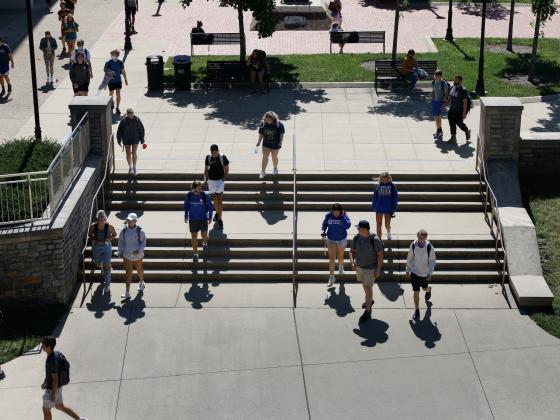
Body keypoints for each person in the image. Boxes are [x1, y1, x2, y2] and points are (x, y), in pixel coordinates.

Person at [40, 336, 88, 420]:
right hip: (57, 387)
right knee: (59, 406)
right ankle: (80, 419)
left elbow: (55, 379)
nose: (42, 346)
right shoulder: (56, 354)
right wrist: (45, 382)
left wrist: (53, 395)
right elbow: (51, 374)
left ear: (48, 347)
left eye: (43, 345)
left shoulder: (52, 360)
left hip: (52, 389)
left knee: (46, 409)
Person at [349, 220, 384, 323]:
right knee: (364, 285)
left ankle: (367, 311)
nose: (357, 230)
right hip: (359, 267)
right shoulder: (356, 237)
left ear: (364, 229)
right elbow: (351, 251)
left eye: (358, 228)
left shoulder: (375, 240)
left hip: (370, 268)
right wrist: (352, 262)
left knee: (368, 287)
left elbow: (380, 255)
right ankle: (369, 300)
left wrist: (378, 269)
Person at [406, 229, 436, 320]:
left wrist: (430, 273)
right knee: (416, 291)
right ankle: (417, 309)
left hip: (424, 273)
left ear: (425, 237)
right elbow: (410, 257)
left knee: (424, 288)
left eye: (423, 237)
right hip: (414, 272)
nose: (421, 239)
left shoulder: (429, 247)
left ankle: (428, 289)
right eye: (419, 237)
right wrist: (408, 269)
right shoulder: (413, 245)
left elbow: (432, 261)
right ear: (417, 236)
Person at [117, 213, 146, 300]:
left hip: (138, 256)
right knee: (128, 272)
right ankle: (127, 292)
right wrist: (119, 251)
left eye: (131, 220)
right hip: (127, 255)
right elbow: (120, 242)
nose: (129, 222)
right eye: (128, 220)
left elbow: (143, 243)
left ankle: (141, 282)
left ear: (135, 221)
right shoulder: (124, 230)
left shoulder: (140, 231)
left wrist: (139, 250)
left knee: (139, 269)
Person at [321, 203, 351, 288]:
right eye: (335, 212)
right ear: (332, 211)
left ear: (341, 211)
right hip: (331, 239)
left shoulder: (344, 216)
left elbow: (348, 226)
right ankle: (331, 277)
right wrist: (323, 231)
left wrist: (342, 217)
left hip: (341, 239)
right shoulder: (328, 215)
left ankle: (340, 266)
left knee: (340, 256)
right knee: (331, 258)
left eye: (338, 212)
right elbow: (325, 223)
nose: (336, 214)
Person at [88, 210, 117, 296]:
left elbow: (115, 234)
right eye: (99, 220)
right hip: (96, 247)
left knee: (107, 265)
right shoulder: (93, 226)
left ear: (105, 219)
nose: (101, 221)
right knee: (98, 264)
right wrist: (92, 238)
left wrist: (109, 238)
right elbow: (89, 234)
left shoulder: (109, 226)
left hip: (106, 247)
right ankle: (102, 266)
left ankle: (107, 284)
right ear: (97, 219)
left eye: (102, 219)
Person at [184, 180, 214, 264]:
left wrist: (210, 217)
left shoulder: (205, 195)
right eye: (199, 187)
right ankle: (195, 253)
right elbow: (186, 206)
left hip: (203, 218)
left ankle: (204, 242)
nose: (201, 188)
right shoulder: (189, 195)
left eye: (201, 187)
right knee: (194, 236)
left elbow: (210, 207)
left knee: (204, 235)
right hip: (193, 219)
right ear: (194, 188)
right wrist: (186, 215)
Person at [204, 144, 229, 230]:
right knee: (214, 199)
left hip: (219, 181)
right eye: (212, 152)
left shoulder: (222, 157)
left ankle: (220, 219)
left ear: (218, 151)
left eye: (215, 152)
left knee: (220, 199)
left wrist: (223, 178)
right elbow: (206, 169)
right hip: (211, 181)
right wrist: (205, 178)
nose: (214, 154)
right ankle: (217, 213)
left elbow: (227, 169)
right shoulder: (208, 158)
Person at [256, 111, 284, 179]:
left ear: (273, 119)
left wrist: (280, 142)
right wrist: (259, 142)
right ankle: (263, 172)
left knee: (274, 157)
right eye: (266, 119)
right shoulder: (263, 123)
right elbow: (261, 133)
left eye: (269, 120)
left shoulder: (279, 124)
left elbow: (281, 134)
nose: (267, 121)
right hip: (266, 143)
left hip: (275, 144)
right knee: (265, 157)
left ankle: (275, 168)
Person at [116, 108, 145, 175]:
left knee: (134, 153)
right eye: (129, 115)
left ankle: (134, 167)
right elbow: (119, 131)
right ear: (127, 114)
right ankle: (130, 167)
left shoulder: (137, 119)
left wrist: (142, 140)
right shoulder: (124, 120)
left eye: (131, 114)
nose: (131, 116)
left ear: (133, 113)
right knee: (128, 153)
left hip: (135, 138)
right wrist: (119, 140)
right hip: (126, 139)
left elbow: (141, 129)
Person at [372, 172, 398, 240]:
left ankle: (388, 232)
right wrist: (374, 206)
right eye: (383, 180)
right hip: (379, 207)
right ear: (381, 179)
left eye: (386, 180)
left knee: (387, 224)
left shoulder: (392, 186)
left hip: (388, 208)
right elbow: (375, 196)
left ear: (388, 178)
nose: (384, 181)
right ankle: (379, 239)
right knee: (378, 225)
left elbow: (395, 197)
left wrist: (394, 208)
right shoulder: (378, 185)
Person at [447, 75, 471, 144]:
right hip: (452, 110)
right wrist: (445, 103)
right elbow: (450, 97)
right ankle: (453, 138)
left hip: (459, 111)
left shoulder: (463, 90)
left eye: (455, 80)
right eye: (454, 80)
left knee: (459, 124)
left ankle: (466, 130)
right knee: (451, 124)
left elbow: (465, 102)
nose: (454, 81)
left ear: (460, 81)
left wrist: (464, 112)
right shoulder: (452, 87)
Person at [103, 49, 128, 115]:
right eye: (112, 55)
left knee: (118, 94)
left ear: (117, 55)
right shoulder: (108, 62)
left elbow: (123, 71)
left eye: (115, 55)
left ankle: (117, 107)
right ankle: (112, 103)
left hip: (118, 80)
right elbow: (104, 70)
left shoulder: (120, 62)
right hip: (111, 81)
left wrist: (125, 79)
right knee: (111, 94)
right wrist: (110, 72)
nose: (113, 56)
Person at [431, 69, 449, 140]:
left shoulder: (443, 83)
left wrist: (444, 100)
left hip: (440, 102)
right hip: (435, 101)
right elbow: (433, 90)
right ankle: (439, 130)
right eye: (435, 75)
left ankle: (439, 131)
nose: (435, 76)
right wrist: (432, 97)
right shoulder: (434, 82)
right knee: (435, 117)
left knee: (437, 116)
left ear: (440, 76)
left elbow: (446, 93)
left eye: (436, 75)